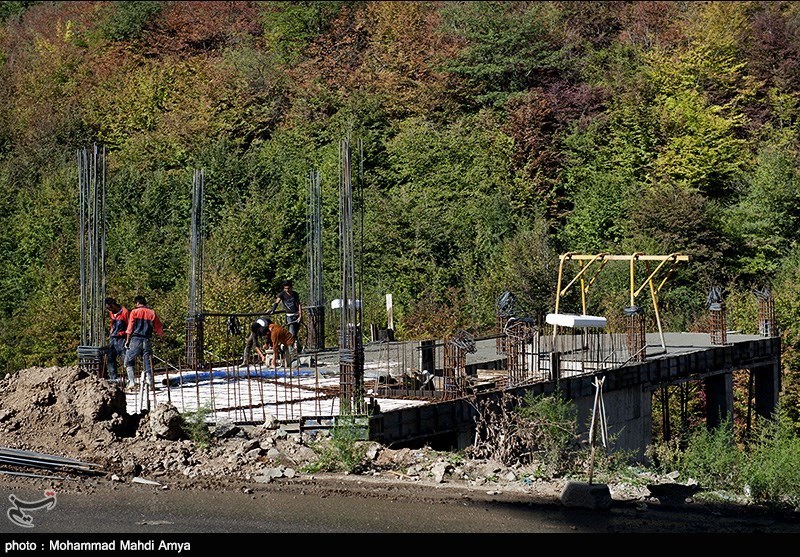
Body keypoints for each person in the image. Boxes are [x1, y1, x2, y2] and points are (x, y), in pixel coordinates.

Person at [123, 295, 164, 391]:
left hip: (136, 339)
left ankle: (132, 382)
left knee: (128, 360)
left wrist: (127, 340)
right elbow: (158, 328)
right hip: (147, 340)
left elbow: (130, 328)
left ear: (137, 303)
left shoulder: (134, 312)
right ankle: (150, 383)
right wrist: (162, 338)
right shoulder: (152, 312)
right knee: (147, 362)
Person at [267, 280, 303, 354]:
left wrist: (300, 315)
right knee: (291, 333)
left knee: (296, 332)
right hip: (289, 316)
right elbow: (277, 302)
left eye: (288, 288)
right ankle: (291, 350)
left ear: (291, 287)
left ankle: (298, 348)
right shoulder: (282, 294)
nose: (287, 290)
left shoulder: (295, 294)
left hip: (296, 314)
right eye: (285, 288)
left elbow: (299, 304)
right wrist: (272, 310)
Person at [104, 297, 130, 384]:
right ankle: (113, 379)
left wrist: (127, 339)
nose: (109, 310)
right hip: (113, 339)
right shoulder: (111, 313)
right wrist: (111, 331)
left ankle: (129, 379)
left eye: (109, 308)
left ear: (114, 305)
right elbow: (112, 323)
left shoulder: (125, 312)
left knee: (124, 359)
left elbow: (129, 327)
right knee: (110, 358)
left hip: (122, 339)